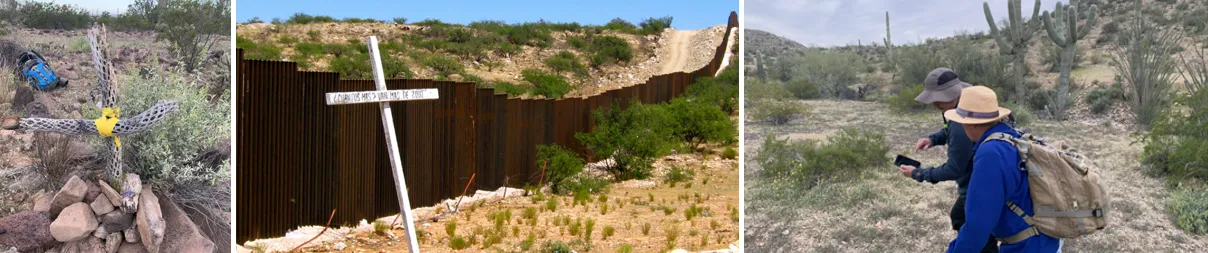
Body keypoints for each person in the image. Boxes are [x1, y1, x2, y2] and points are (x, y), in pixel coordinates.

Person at [943, 86, 1062, 253]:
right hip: (1046, 238)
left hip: (1026, 246)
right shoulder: (1013, 135)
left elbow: (977, 228)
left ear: (970, 125)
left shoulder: (990, 154)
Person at [899, 68, 998, 252]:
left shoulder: (963, 121)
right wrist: (933, 139)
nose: (936, 104)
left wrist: (918, 173)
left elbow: (954, 169)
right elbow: (948, 129)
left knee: (970, 224)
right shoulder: (961, 106)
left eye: (940, 98)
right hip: (985, 178)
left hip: (979, 183)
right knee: (963, 217)